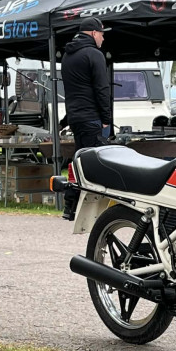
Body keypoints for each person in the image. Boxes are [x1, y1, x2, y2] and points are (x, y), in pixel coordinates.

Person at [60, 15, 112, 219]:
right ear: (93, 33)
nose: (103, 38)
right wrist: (106, 118)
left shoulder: (68, 55)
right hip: (92, 116)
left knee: (79, 161)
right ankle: (95, 209)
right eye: (101, 34)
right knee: (96, 163)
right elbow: (102, 88)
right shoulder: (94, 54)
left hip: (75, 116)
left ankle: (70, 204)